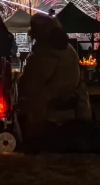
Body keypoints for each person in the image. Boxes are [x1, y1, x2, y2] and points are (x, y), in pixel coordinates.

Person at [18, 14, 92, 152]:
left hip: (57, 93)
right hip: (72, 90)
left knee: (31, 101)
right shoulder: (65, 46)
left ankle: (33, 137)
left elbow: (35, 78)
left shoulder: (48, 50)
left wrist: (19, 88)